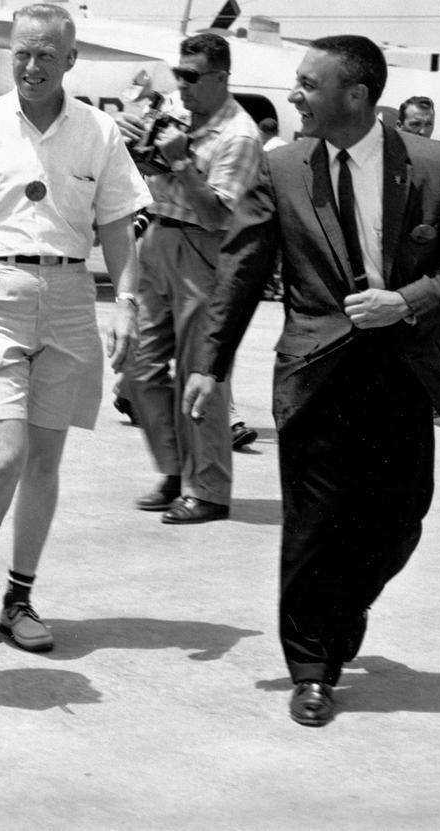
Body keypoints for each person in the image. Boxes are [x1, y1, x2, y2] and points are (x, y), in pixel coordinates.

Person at [185, 35, 440, 727]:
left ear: (354, 95)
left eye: (307, 82)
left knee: (399, 519)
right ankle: (312, 666)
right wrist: (209, 364)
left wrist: (409, 300)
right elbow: (239, 271)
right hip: (315, 372)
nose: (293, 93)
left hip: (404, 370)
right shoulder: (281, 168)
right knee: (313, 524)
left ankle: (344, 605)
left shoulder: (433, 164)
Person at [0, 4, 149, 652]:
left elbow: (117, 223)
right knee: (2, 456)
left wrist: (127, 302)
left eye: (45, 55)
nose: (32, 66)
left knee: (44, 461)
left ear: (70, 59)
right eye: (21, 53)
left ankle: (20, 594)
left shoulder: (99, 133)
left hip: (68, 296)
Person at [125, 33, 263, 523]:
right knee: (136, 367)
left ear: (222, 78)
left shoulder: (240, 137)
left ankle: (207, 489)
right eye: (178, 74)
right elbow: (148, 172)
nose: (180, 84)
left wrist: (182, 160)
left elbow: (217, 216)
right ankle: (173, 468)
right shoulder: (179, 117)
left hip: (202, 250)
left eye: (191, 76)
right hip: (158, 238)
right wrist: (136, 143)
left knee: (198, 375)